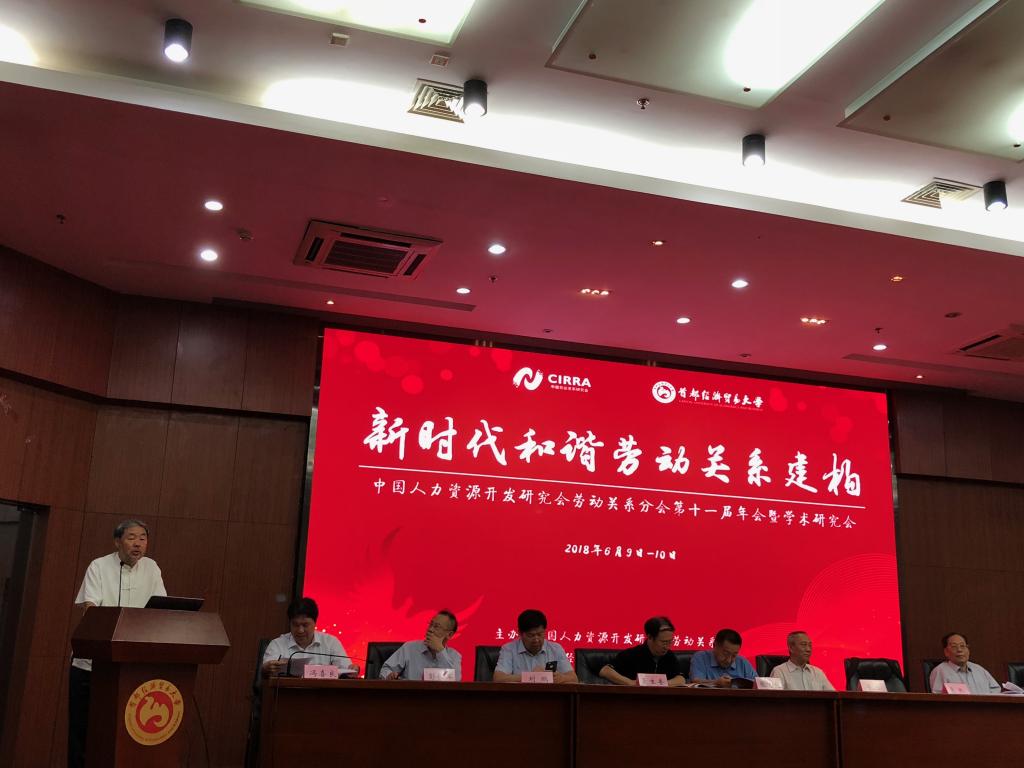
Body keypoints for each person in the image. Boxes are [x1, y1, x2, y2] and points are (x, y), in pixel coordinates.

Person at [68, 519, 167, 768]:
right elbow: (90, 610)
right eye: (131, 537)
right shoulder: (99, 566)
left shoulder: (152, 568)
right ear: (117, 541)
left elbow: (162, 610)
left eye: (143, 538)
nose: (138, 543)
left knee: (121, 732)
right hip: (92, 665)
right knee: (84, 731)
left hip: (131, 666)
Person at [262, 597, 358, 677]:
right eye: (295, 625)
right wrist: (267, 668)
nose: (300, 630)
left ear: (315, 623)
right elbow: (267, 668)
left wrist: (352, 670)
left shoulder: (331, 642)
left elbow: (346, 670)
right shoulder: (277, 644)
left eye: (305, 625)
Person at [493, 609, 577, 683]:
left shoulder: (556, 649)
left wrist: (561, 678)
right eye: (531, 635)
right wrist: (532, 677)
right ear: (520, 633)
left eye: (540, 634)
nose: (536, 639)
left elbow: (573, 678)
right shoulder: (509, 649)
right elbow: (498, 678)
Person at [599, 616, 686, 686]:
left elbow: (681, 679)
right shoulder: (632, 654)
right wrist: (630, 683)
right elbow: (605, 670)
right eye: (664, 642)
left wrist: (661, 684)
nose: (667, 646)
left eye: (670, 642)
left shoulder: (669, 656)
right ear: (650, 637)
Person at [381, 610, 462, 680]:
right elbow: (385, 669)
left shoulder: (454, 656)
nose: (430, 629)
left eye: (436, 627)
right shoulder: (409, 648)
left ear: (450, 635)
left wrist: (440, 650)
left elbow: (455, 681)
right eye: (430, 624)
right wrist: (389, 675)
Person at [929, 632, 1000, 694]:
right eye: (954, 646)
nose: (959, 650)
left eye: (962, 646)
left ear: (968, 649)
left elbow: (996, 691)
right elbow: (938, 698)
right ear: (946, 652)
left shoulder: (979, 669)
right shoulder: (940, 671)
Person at [688, 628, 756, 687]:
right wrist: (716, 682)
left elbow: (758, 683)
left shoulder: (742, 662)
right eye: (726, 654)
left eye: (734, 655)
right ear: (714, 645)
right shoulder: (700, 658)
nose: (729, 660)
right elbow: (695, 682)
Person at [770, 631, 835, 691]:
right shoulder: (779, 672)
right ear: (791, 648)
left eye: (810, 645)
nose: (808, 649)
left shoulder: (818, 672)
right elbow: (774, 698)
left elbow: (833, 696)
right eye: (803, 645)